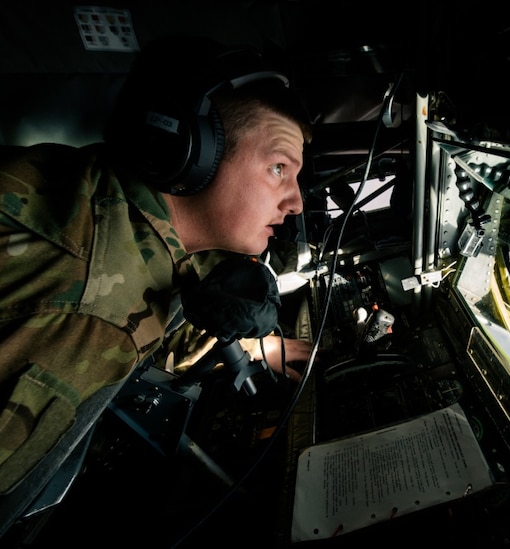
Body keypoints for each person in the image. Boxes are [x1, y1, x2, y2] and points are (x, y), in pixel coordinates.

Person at [0, 34, 313, 494]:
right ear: (188, 153)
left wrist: (251, 347)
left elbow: (155, 318)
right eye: (279, 169)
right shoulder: (94, 310)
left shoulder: (105, 196)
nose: (297, 203)